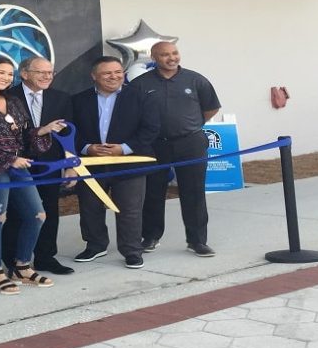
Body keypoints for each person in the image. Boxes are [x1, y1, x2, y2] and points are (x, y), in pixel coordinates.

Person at [0, 57, 66, 295]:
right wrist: (9, 159)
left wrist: (43, 131)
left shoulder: (13, 101)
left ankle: (22, 267)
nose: (6, 78)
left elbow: (26, 136)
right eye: (1, 72)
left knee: (37, 215)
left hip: (17, 167)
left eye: (9, 74)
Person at [130, 42, 221, 257]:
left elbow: (211, 108)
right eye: (164, 55)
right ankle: (151, 236)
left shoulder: (196, 79)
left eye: (174, 53)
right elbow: (133, 114)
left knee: (194, 192)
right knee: (152, 192)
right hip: (154, 145)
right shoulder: (141, 84)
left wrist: (189, 125)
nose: (171, 58)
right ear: (154, 57)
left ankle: (197, 241)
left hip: (190, 143)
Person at [72, 56, 159, 269]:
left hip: (130, 162)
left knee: (130, 209)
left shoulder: (141, 97)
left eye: (118, 72)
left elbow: (151, 129)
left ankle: (131, 250)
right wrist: (86, 148)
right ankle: (95, 245)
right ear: (94, 76)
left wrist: (124, 148)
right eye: (107, 73)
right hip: (90, 163)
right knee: (90, 206)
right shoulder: (78, 100)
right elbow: (69, 130)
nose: (114, 76)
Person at [1, 57, 75, 275]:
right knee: (16, 212)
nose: (46, 76)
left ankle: (45, 258)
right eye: (40, 72)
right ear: (24, 74)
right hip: (16, 163)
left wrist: (70, 165)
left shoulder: (61, 98)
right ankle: (13, 259)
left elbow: (69, 135)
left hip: (50, 164)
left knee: (49, 211)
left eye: (50, 72)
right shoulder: (6, 97)